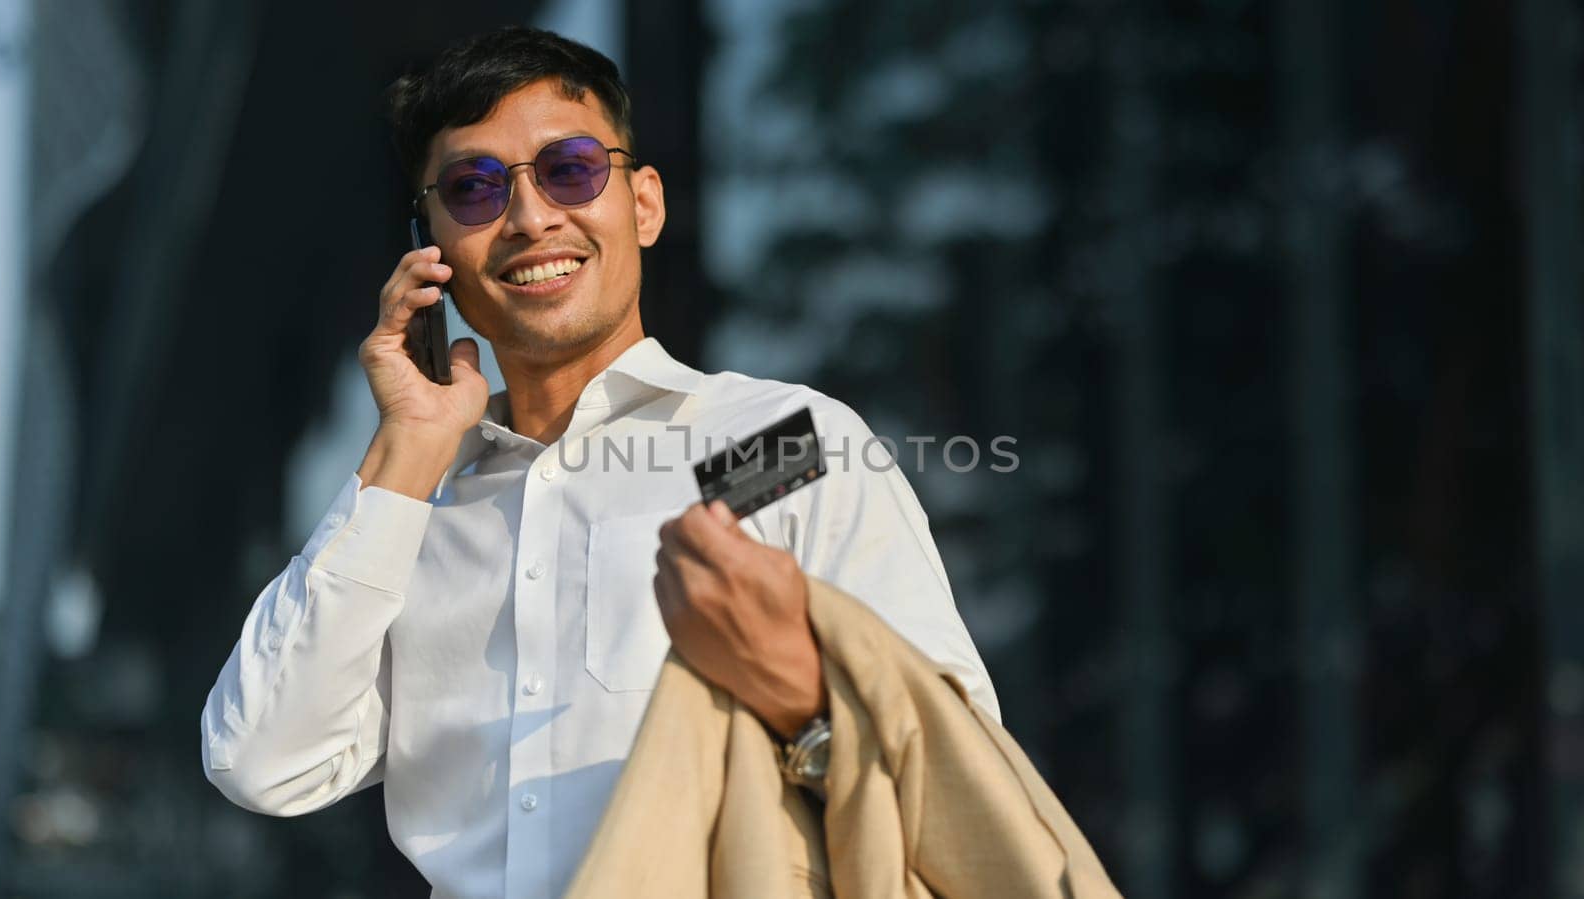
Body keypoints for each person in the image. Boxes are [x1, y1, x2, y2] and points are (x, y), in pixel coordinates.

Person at [200, 25, 998, 899]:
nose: (532, 217)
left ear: (643, 205)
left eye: (569, 169)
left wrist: (800, 700)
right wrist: (406, 448)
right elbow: (261, 760)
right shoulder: (409, 518)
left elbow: (956, 766)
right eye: (473, 189)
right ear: (430, 252)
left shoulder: (781, 445)